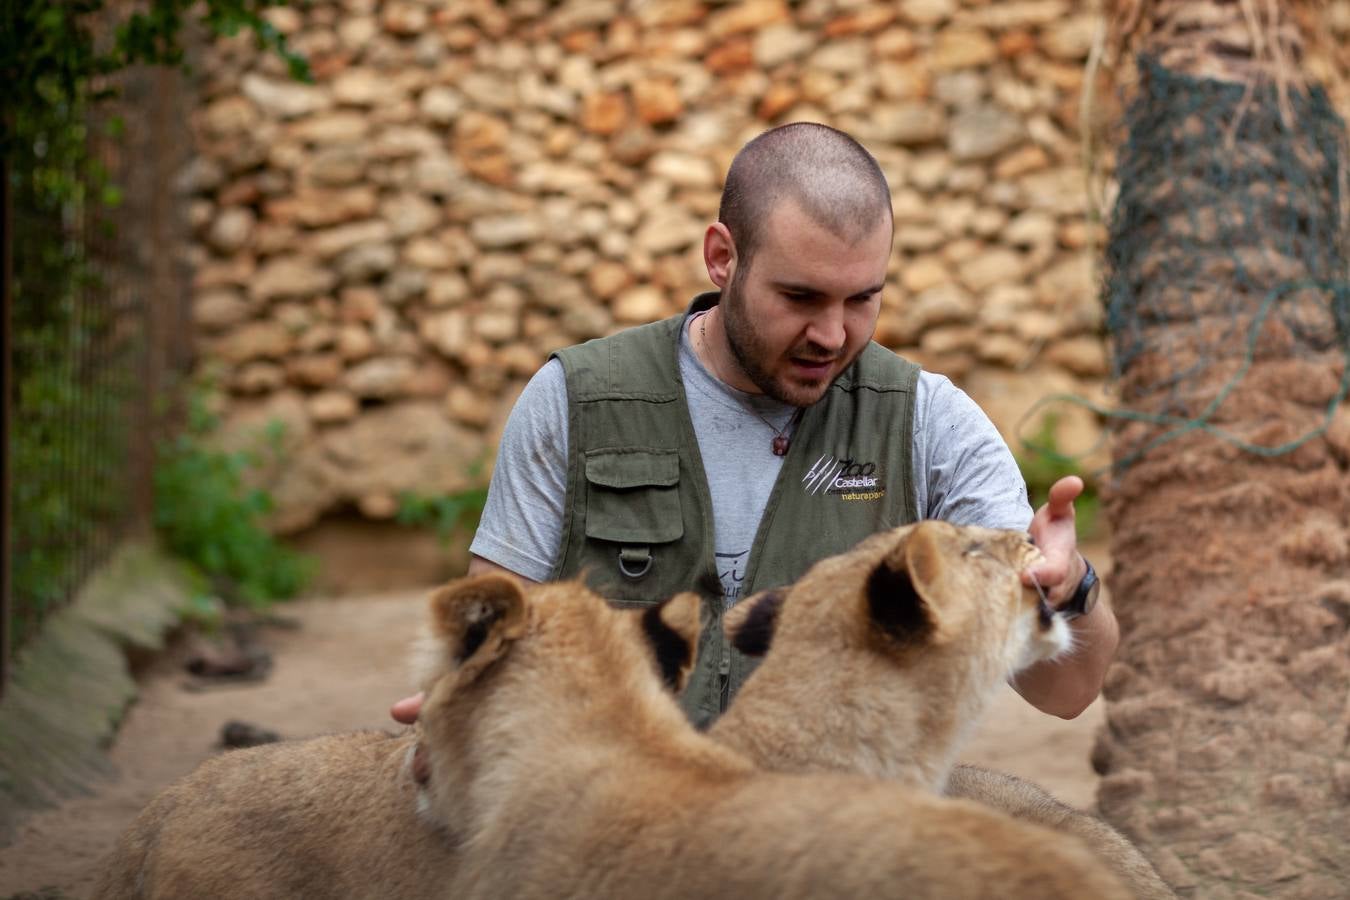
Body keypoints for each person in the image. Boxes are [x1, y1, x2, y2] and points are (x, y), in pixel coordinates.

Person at [393, 122, 1118, 729]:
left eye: (862, 298)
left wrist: (1072, 584)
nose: (833, 335)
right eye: (800, 297)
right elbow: (486, 641)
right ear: (722, 258)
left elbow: (1066, 693)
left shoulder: (930, 425)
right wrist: (456, 705)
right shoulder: (575, 402)